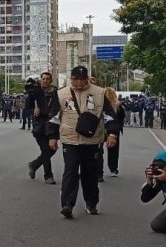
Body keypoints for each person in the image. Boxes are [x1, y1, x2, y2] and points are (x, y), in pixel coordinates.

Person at [47, 65, 119, 218]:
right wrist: (52, 137)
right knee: (71, 171)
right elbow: (53, 117)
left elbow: (109, 116)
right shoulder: (61, 94)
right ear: (71, 79)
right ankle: (67, 204)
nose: (79, 82)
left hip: (92, 140)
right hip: (70, 140)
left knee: (90, 173)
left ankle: (91, 203)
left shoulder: (99, 93)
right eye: (75, 79)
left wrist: (112, 134)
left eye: (82, 79)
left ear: (87, 79)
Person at [26, 72, 58, 184]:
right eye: (43, 79)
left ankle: (34, 165)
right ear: (40, 80)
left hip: (52, 124)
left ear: (51, 80)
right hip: (39, 125)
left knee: (52, 149)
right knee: (45, 150)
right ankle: (48, 176)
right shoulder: (35, 92)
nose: (45, 81)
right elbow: (27, 106)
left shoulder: (55, 92)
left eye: (47, 79)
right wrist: (31, 98)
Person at [96, 87, 125, 179]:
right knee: (113, 150)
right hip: (114, 130)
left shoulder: (101, 104)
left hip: (102, 128)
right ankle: (113, 169)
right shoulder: (118, 105)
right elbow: (122, 117)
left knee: (98, 149)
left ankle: (99, 169)